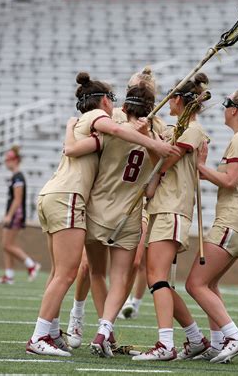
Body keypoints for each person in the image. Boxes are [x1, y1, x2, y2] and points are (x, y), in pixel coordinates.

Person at [26, 72, 177, 357]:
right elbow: (151, 189)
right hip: (119, 214)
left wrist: (70, 127)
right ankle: (101, 330)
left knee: (82, 270)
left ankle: (58, 329)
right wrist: (153, 142)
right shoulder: (123, 126)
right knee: (112, 276)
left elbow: (72, 148)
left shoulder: (108, 128)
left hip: (92, 209)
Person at [65, 67, 166, 349]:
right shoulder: (112, 119)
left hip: (126, 206)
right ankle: (80, 315)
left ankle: (105, 329)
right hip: (105, 201)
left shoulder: (158, 127)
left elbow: (161, 169)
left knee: (122, 266)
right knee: (89, 268)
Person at [186, 89, 238, 363]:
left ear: (234, 110)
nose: (223, 109)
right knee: (209, 283)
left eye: (225, 105)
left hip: (234, 218)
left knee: (195, 284)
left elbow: (229, 181)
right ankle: (218, 342)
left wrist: (200, 166)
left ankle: (234, 336)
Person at [132, 73, 210, 361]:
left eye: (170, 97)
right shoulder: (178, 128)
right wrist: (148, 131)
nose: (167, 103)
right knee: (157, 279)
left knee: (157, 277)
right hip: (162, 207)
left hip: (173, 208)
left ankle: (165, 344)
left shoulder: (192, 130)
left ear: (178, 100)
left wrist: (145, 138)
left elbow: (163, 163)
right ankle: (195, 338)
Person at [0, 146, 41, 285]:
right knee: (7, 244)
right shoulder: (15, 177)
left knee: (7, 244)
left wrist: (9, 216)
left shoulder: (18, 177)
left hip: (16, 215)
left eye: (8, 159)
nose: (6, 162)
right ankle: (9, 276)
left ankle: (31, 264)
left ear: (15, 160)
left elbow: (18, 199)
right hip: (13, 214)